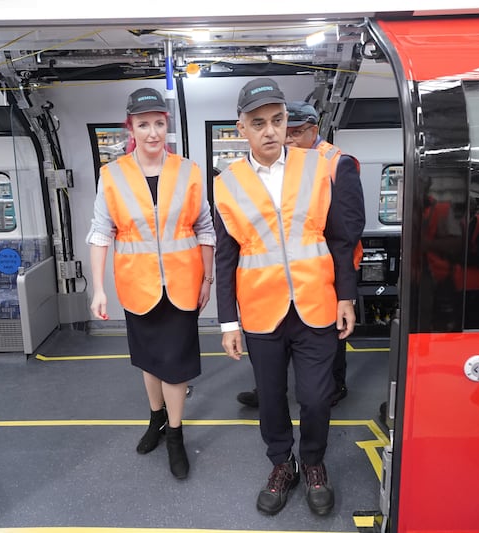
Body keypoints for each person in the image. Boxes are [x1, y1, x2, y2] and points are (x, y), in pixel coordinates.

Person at [214, 78, 360, 516]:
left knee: (317, 397)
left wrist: (346, 298)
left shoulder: (317, 168)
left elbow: (339, 239)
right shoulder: (226, 183)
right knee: (272, 399)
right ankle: (282, 463)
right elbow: (225, 258)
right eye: (258, 123)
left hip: (316, 304)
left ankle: (313, 461)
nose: (270, 130)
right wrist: (227, 322)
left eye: (277, 120)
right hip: (261, 313)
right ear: (242, 128)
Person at [86, 87, 215, 479]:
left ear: (167, 126)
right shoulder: (112, 175)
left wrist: (208, 277)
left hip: (182, 284)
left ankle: (175, 434)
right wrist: (99, 288)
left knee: (175, 366)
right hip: (137, 286)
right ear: (132, 128)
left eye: (159, 123)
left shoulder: (189, 172)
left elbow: (205, 228)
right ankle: (155, 419)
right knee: (149, 360)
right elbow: (100, 233)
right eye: (144, 124)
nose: (153, 132)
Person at [235, 100, 365, 409]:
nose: (287, 139)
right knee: (279, 326)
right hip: (286, 270)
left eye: (295, 132)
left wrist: (336, 276)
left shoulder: (335, 162)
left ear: (314, 130)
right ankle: (268, 386)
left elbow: (350, 226)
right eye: (285, 131)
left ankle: (333, 386)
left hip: (329, 267)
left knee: (331, 329)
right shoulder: (282, 164)